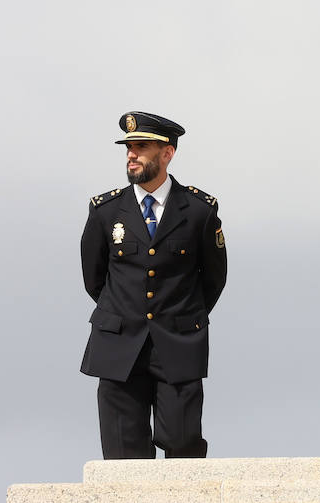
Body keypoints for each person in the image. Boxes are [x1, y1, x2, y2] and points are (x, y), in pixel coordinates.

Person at [80, 112, 227, 459]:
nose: (131, 154)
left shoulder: (198, 211)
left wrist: (180, 316)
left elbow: (214, 279)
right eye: (128, 147)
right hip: (117, 348)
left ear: (167, 153)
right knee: (123, 459)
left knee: (183, 445)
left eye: (141, 146)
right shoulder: (105, 211)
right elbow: (94, 277)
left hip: (178, 345)